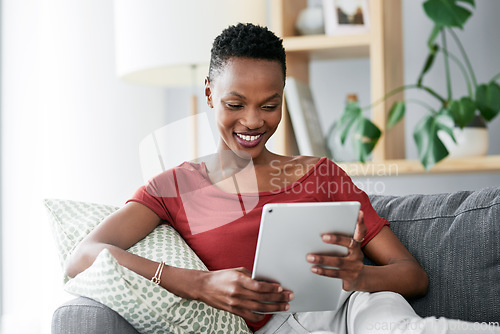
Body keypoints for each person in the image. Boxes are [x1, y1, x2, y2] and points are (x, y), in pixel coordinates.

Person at [66, 23, 500, 334]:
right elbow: (83, 256)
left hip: (356, 312)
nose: (252, 121)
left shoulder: (321, 174)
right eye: (235, 104)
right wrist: (198, 284)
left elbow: (413, 276)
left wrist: (358, 277)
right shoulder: (174, 187)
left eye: (269, 105)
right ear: (209, 93)